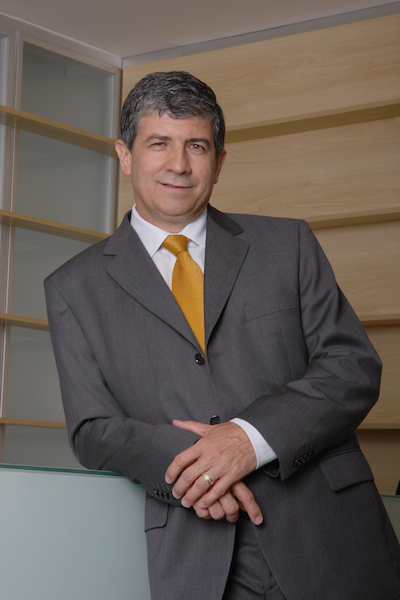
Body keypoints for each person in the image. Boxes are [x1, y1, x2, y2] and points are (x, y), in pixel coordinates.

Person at [44, 71, 400, 600]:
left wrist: (248, 440)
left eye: (197, 146)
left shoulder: (288, 244)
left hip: (329, 538)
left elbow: (352, 366)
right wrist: (199, 470)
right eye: (159, 144)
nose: (179, 165)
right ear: (125, 155)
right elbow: (93, 429)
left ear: (219, 161)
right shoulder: (72, 286)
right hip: (196, 550)